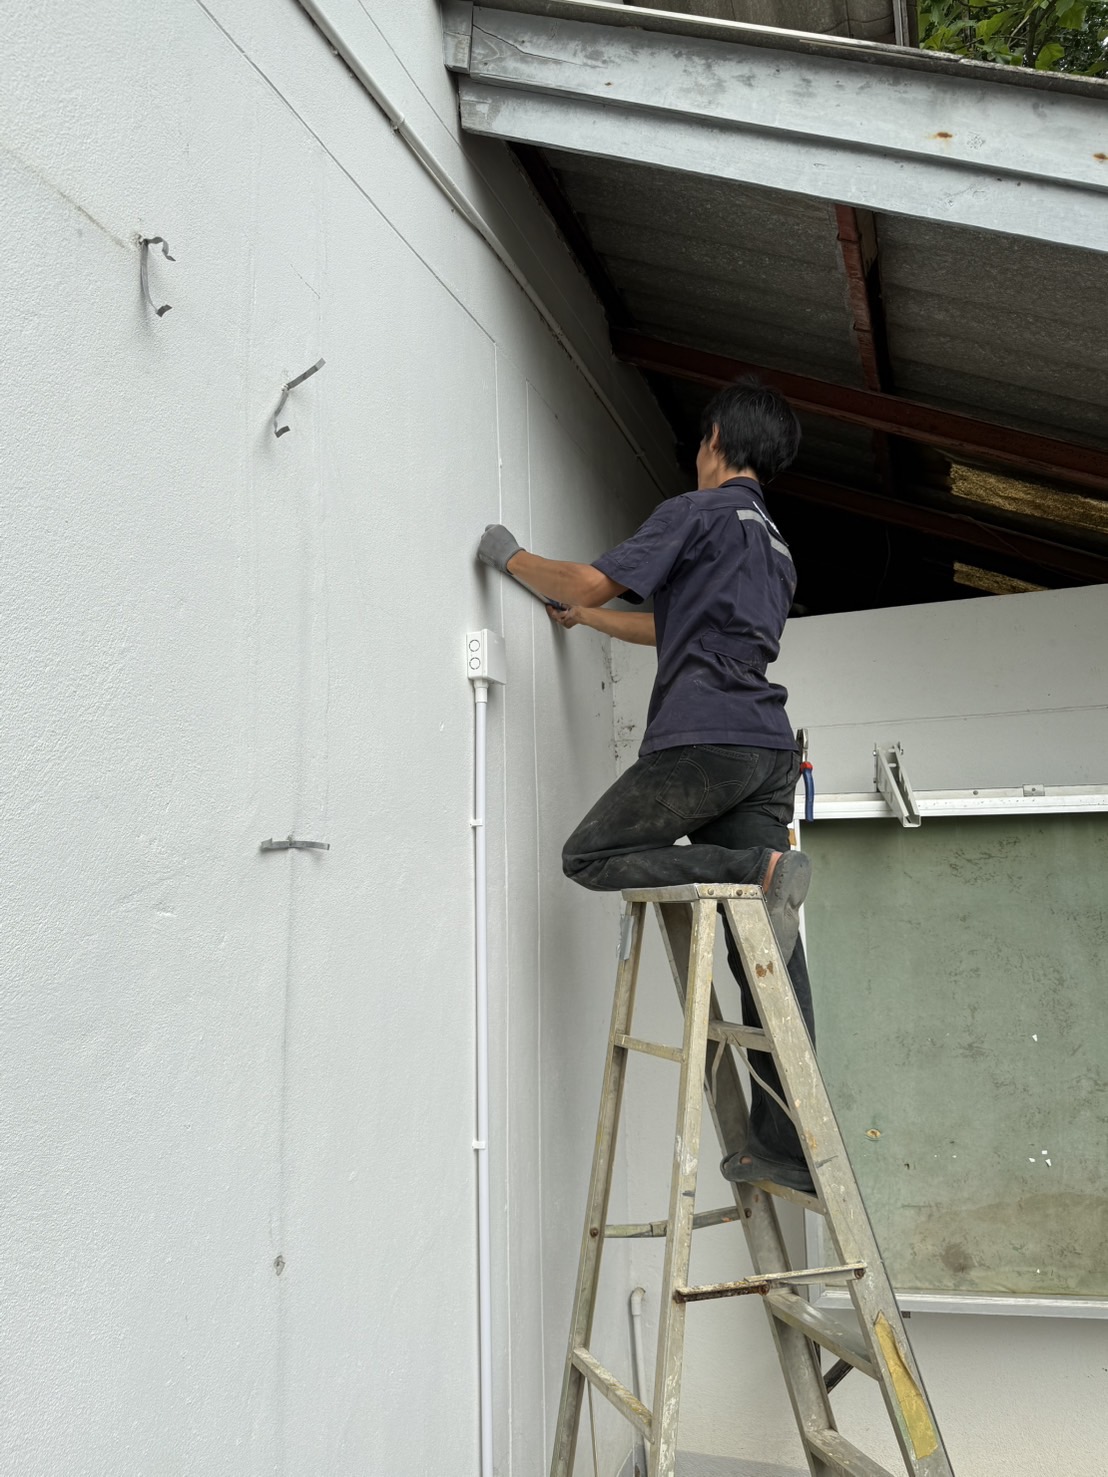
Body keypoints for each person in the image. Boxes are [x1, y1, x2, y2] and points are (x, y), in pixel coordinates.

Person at [476, 377, 814, 1194]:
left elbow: (583, 579)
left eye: (700, 442)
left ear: (717, 439)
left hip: (705, 740)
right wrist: (588, 621)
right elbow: (671, 625)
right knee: (764, 948)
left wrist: (509, 556)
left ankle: (749, 870)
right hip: (767, 749)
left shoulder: (697, 512)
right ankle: (791, 1145)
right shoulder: (775, 547)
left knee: (588, 855)